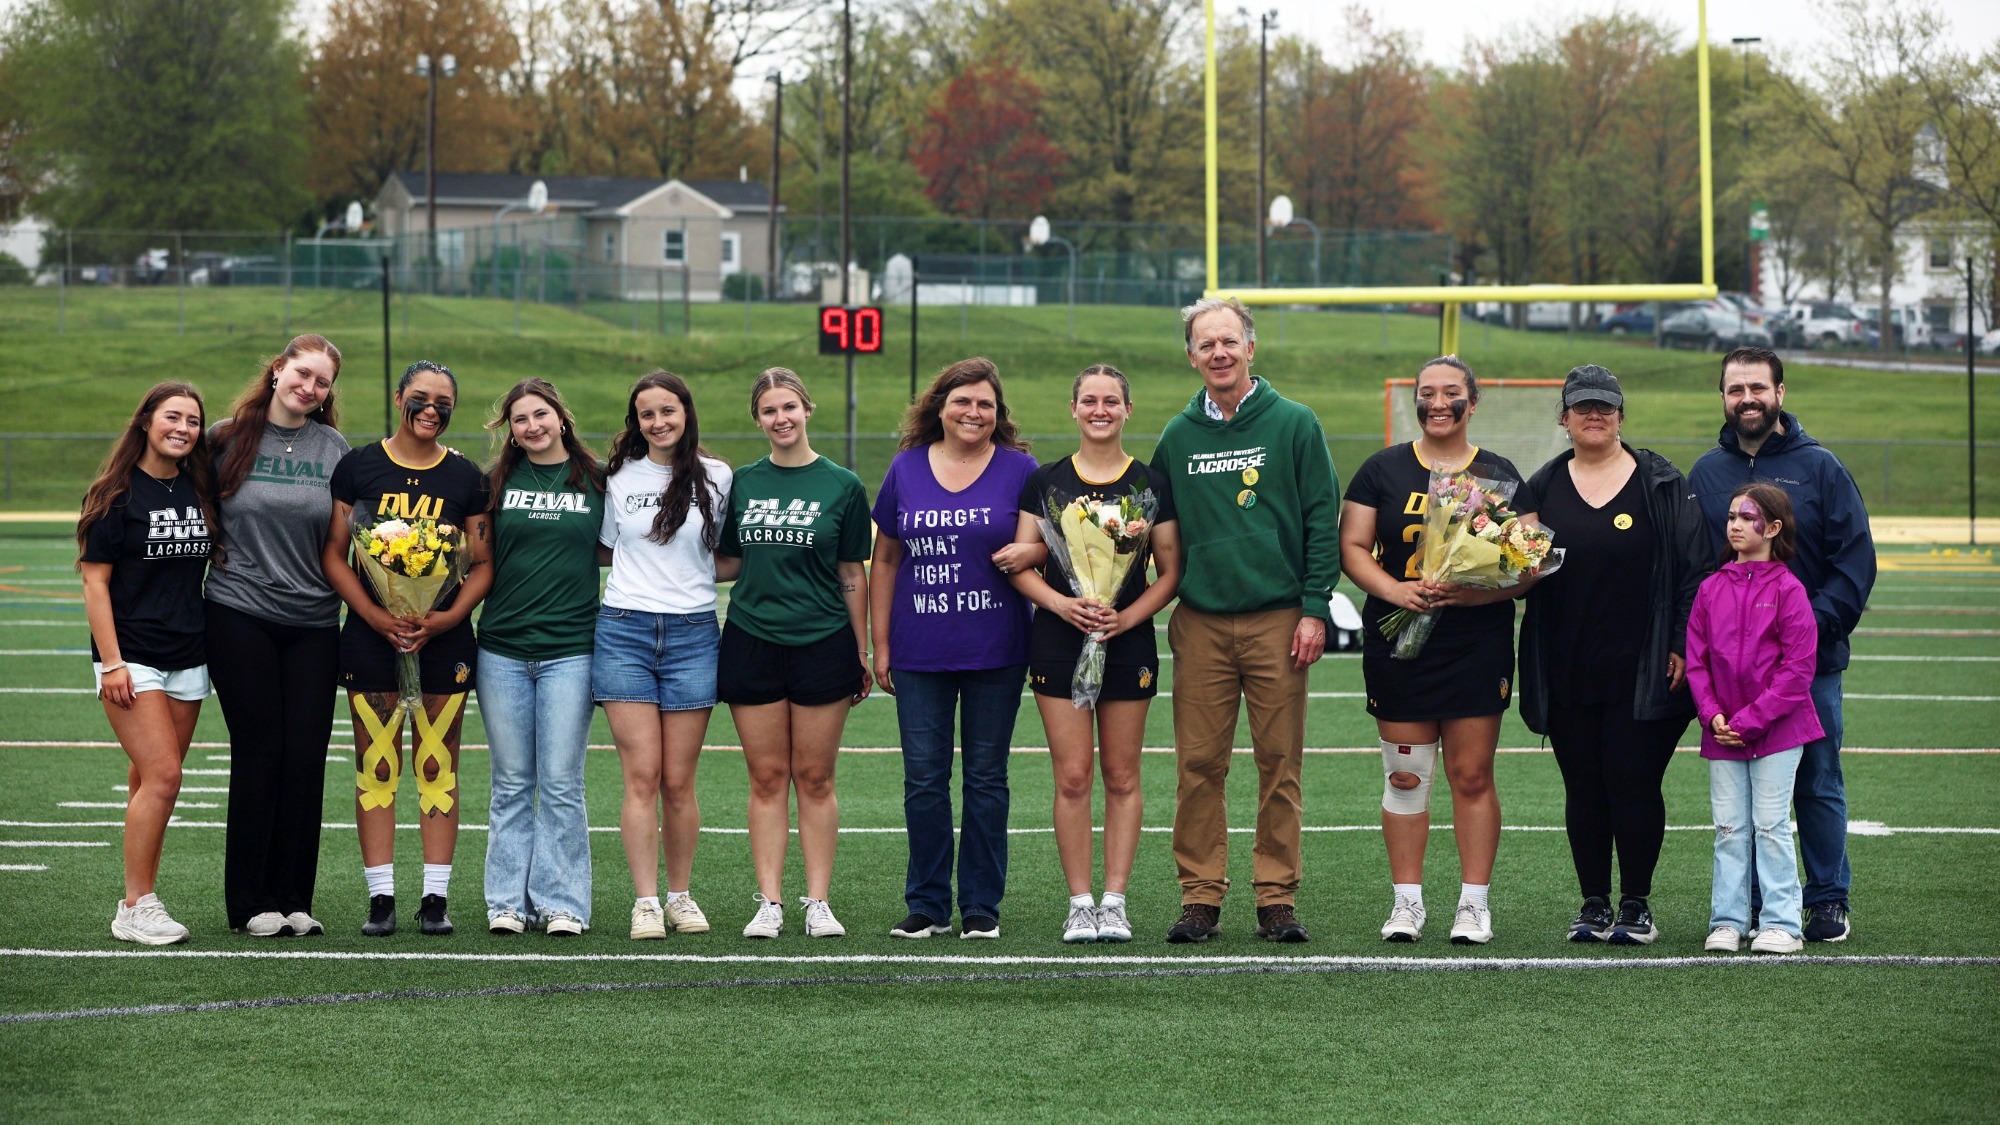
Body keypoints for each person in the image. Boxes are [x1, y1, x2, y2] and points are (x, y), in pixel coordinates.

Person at [1151, 297, 1339, 944]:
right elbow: (1157, 530)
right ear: (1192, 357)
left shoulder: (1294, 423)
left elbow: (1322, 517)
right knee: (1199, 762)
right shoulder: (1178, 436)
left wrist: (1314, 607)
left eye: (1229, 341)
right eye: (1207, 345)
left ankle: (1275, 896)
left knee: (1278, 761)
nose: (1220, 353)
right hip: (1200, 621)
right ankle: (1200, 894)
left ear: (1251, 348)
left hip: (1278, 618)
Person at [1339, 355, 1533, 945]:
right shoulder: (1382, 469)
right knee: (1404, 776)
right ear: (1414, 402)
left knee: (1471, 775)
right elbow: (1351, 546)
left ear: (1472, 403)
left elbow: (1526, 568)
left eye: (1452, 393)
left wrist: (1468, 596)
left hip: (1476, 641)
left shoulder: (1498, 473)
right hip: (1398, 639)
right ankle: (1407, 903)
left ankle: (1474, 905)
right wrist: (1397, 589)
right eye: (1428, 392)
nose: (1439, 402)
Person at [1519, 365, 1711, 945]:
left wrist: (1681, 643)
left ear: (1621, 415)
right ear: (1564, 418)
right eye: (1583, 406)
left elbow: (1695, 571)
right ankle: (1594, 904)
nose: (1594, 414)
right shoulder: (1542, 486)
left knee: (1632, 781)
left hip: (1646, 667)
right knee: (1583, 785)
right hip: (1568, 667)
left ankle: (1636, 904)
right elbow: (1520, 572)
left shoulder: (1660, 482)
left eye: (1605, 405)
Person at [1689, 346, 1874, 943]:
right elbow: (1695, 569)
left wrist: (1809, 629)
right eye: (1736, 388)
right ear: (1722, 397)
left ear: (1780, 394)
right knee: (1741, 803)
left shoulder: (1820, 466)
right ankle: (1748, 907)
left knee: (1816, 780)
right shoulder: (1705, 475)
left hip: (1806, 666)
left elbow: (1855, 559)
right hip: (1729, 673)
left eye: (1758, 388)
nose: (1747, 398)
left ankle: (1825, 899)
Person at [1006, 364, 1181, 944]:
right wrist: (1064, 606)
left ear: (1128, 409)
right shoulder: (1046, 482)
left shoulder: (1150, 483)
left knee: (1122, 774)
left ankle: (1115, 899)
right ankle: (1079, 902)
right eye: (1089, 400)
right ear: (1073, 409)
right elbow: (1023, 561)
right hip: (1059, 638)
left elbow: (1170, 572)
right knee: (1074, 776)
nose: (1100, 409)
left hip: (1127, 638)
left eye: (1111, 400)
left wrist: (1125, 616)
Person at [870, 357, 1038, 940]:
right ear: (939, 407)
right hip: (920, 651)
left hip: (999, 648)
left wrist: (1030, 555)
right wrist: (881, 643)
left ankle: (982, 907)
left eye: (985, 404)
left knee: (987, 779)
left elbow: (1044, 548)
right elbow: (886, 559)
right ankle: (928, 904)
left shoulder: (1021, 470)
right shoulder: (905, 468)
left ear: (998, 415)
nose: (973, 412)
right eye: (962, 401)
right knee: (924, 780)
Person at [323, 360, 493, 937]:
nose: (431, 408)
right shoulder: (359, 466)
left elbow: (482, 562)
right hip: (370, 639)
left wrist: (445, 618)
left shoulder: (467, 477)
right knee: (377, 764)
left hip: (443, 640)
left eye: (443, 401)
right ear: (398, 398)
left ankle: (436, 898)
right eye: (420, 397)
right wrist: (372, 613)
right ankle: (381, 898)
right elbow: (334, 555)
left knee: (436, 762)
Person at [716, 369, 873, 939]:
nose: (780, 419)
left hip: (822, 642)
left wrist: (861, 649)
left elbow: (851, 571)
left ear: (807, 409)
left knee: (815, 776)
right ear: (757, 420)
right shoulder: (742, 483)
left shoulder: (843, 485)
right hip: (751, 641)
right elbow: (726, 561)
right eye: (768, 411)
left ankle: (818, 901)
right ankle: (770, 902)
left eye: (789, 407)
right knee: (765, 776)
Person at [206, 334, 349, 939]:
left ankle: (294, 897)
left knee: (305, 757)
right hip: (240, 613)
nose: (310, 388)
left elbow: (349, 538)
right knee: (260, 749)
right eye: (303, 374)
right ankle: (250, 902)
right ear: (278, 370)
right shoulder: (225, 437)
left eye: (322, 382)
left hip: (315, 623)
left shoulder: (335, 449)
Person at [79, 382, 218, 945]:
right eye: (172, 417)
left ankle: (140, 897)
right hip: (132, 656)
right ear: (146, 421)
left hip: (189, 653)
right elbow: (95, 583)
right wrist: (112, 663)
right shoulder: (115, 492)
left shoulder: (197, 487)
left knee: (149, 780)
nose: (182, 428)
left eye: (192, 420)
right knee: (164, 775)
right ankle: (136, 905)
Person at [596, 370, 732, 941]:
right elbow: (605, 552)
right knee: (642, 776)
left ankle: (680, 895)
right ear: (637, 422)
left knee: (679, 780)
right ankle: (646, 901)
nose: (659, 422)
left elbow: (727, 557)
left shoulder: (719, 475)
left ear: (686, 412)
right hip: (624, 630)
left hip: (695, 634)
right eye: (647, 414)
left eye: (668, 411)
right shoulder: (617, 477)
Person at [478, 378, 605, 937]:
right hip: (502, 648)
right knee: (510, 781)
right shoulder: (495, 483)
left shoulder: (599, 480)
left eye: (540, 415)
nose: (531, 426)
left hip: (571, 651)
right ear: (509, 429)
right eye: (520, 419)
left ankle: (561, 903)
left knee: (559, 782)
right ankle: (506, 902)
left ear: (561, 416)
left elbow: (614, 547)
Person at [1686, 483, 1824, 955]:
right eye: (1731, 517)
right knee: (1728, 829)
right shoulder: (1711, 587)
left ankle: (1782, 923)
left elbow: (1798, 669)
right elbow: (1697, 661)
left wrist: (1749, 720)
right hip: (1721, 730)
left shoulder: (1789, 589)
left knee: (1770, 826)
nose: (1736, 525)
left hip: (1779, 731)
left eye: (1747, 517)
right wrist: (1713, 715)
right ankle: (1727, 921)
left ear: (1774, 527)